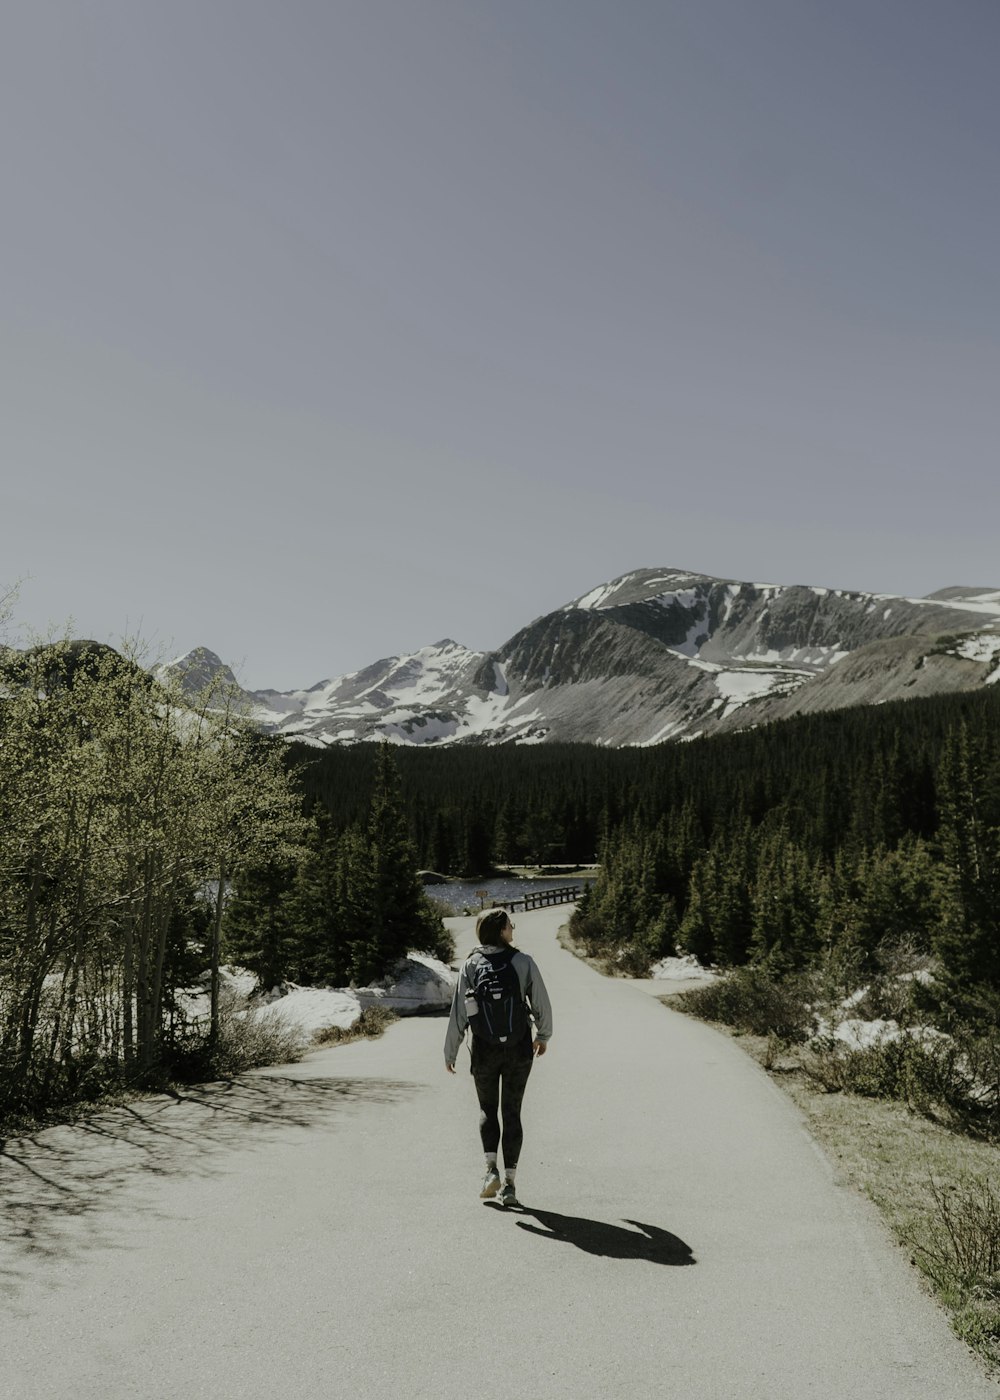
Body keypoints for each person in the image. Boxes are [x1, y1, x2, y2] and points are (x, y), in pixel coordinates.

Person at [444, 907, 553, 1207]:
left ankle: (490, 1170)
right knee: (512, 1112)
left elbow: (458, 1014)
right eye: (509, 925)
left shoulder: (470, 966)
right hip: (518, 1048)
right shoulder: (523, 962)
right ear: (500, 931)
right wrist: (543, 1036)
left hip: (484, 1050)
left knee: (487, 1110)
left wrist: (450, 1051)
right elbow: (541, 1003)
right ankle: (510, 1185)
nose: (513, 929)